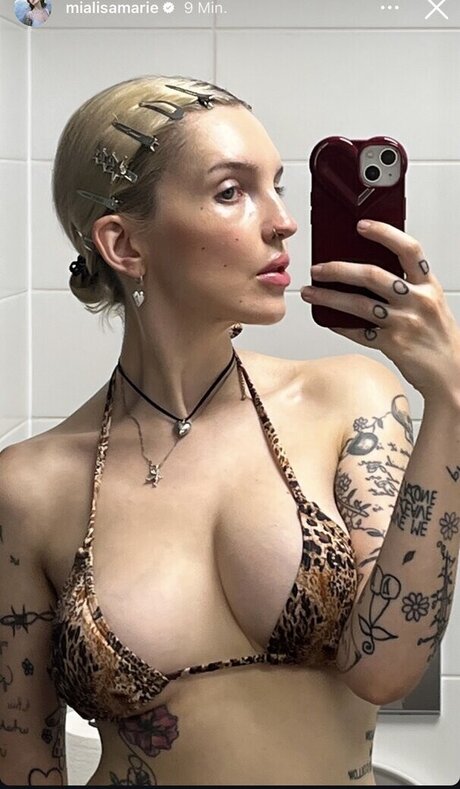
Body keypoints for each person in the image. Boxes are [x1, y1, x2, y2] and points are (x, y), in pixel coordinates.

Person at [1, 74, 459, 786]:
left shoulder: (349, 398)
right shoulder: (29, 487)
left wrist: (451, 399)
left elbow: (386, 668)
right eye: (231, 191)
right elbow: (23, 761)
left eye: (278, 186)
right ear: (123, 243)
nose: (283, 222)